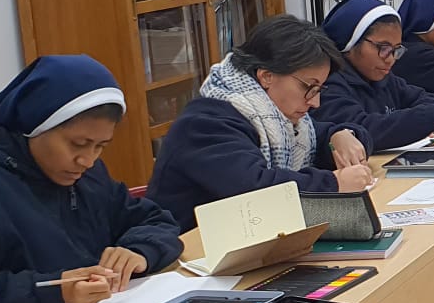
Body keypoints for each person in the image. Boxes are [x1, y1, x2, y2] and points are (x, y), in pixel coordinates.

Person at [0, 55, 184, 303]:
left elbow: (155, 220)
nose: (87, 160)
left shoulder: (86, 174)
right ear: (36, 125)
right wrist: (51, 290)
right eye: (77, 144)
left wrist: (139, 250)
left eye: (100, 146)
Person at [146, 15, 372, 230]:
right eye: (308, 87)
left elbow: (318, 135)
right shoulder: (206, 124)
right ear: (266, 76)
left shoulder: (278, 119)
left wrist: (340, 135)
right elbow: (255, 189)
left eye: (319, 89)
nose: (315, 102)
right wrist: (333, 183)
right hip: (188, 250)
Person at [320, 0, 434, 151]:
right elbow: (365, 129)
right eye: (383, 48)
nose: (391, 59)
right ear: (349, 43)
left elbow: (423, 99)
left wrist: (431, 117)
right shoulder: (327, 84)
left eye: (396, 50)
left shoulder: (382, 76)